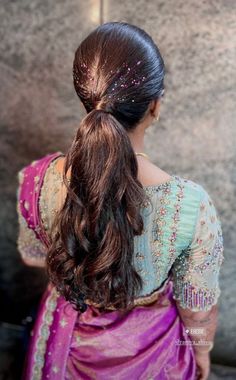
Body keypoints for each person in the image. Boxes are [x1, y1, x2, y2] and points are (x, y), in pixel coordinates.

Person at [16, 22, 224, 380]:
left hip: (67, 339)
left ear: (85, 96)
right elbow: (197, 310)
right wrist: (198, 350)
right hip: (153, 351)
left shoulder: (35, 180)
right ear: (156, 106)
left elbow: (33, 257)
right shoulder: (191, 207)